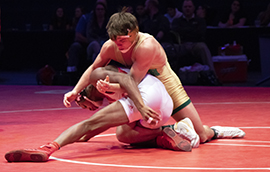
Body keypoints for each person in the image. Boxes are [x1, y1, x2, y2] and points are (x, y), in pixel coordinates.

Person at [63, 8, 245, 145]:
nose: (118, 45)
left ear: (133, 32)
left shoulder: (146, 45)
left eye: (123, 40)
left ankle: (215, 131)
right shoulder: (109, 46)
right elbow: (94, 67)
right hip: (141, 87)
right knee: (124, 134)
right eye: (114, 40)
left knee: (201, 135)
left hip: (164, 84)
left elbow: (131, 81)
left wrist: (111, 89)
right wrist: (75, 91)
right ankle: (168, 132)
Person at [5, 65, 199, 162]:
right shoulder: (108, 83)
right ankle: (163, 134)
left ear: (86, 96)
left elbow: (92, 124)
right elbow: (102, 125)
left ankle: (49, 147)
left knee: (90, 123)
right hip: (162, 102)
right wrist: (83, 137)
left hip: (146, 96)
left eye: (87, 107)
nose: (91, 110)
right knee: (123, 133)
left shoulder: (100, 76)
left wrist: (139, 105)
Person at [171, 0, 219, 83]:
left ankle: (213, 76)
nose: (187, 9)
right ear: (182, 8)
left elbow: (200, 33)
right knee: (167, 48)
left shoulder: (200, 21)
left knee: (203, 47)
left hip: (195, 45)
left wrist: (186, 32)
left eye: (189, 7)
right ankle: (168, 78)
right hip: (182, 45)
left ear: (193, 8)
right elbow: (175, 32)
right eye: (185, 7)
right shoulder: (177, 21)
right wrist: (191, 31)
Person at [66, 1, 108, 74]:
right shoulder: (89, 21)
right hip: (90, 46)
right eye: (98, 9)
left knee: (95, 55)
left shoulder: (109, 21)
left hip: (104, 46)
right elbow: (81, 36)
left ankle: (97, 75)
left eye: (102, 9)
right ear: (94, 10)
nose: (100, 11)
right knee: (94, 44)